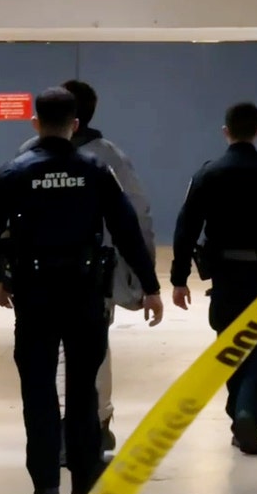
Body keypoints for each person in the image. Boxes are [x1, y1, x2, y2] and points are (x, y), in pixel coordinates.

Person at [0, 87, 164, 494]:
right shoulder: (96, 170)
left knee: (38, 393)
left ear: (35, 123)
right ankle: (82, 476)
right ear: (75, 124)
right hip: (84, 295)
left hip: (35, 296)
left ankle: (45, 489)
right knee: (82, 390)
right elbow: (128, 229)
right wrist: (150, 287)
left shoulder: (15, 171)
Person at [15, 79, 156, 457]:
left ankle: (56, 442)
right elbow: (136, 217)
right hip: (93, 277)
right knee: (92, 351)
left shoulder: (25, 157)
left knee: (44, 360)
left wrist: (1, 274)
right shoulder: (107, 159)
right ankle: (95, 423)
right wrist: (146, 279)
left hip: (38, 277)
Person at [170, 102, 257, 456]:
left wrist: (179, 278)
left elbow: (186, 228)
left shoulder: (208, 174)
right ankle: (248, 413)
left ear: (226, 132)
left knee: (231, 343)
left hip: (227, 278)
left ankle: (239, 413)